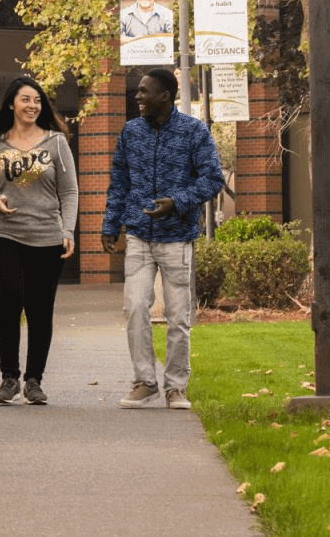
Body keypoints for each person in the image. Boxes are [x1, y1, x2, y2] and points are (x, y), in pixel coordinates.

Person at [99, 68, 224, 409]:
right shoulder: (130, 132)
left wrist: (177, 201)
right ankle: (144, 381)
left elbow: (213, 179)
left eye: (144, 91)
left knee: (178, 316)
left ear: (165, 96)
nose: (137, 97)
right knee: (135, 307)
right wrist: (111, 225)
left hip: (177, 238)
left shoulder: (193, 131)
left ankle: (175, 387)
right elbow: (119, 183)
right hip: (139, 235)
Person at [0, 77, 78, 405]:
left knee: (40, 309)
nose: (32, 105)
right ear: (11, 105)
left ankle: (34, 380)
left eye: (37, 100)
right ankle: (9, 378)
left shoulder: (57, 142)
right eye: (25, 100)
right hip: (4, 235)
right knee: (9, 303)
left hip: (47, 237)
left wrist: (68, 231)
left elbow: (69, 191)